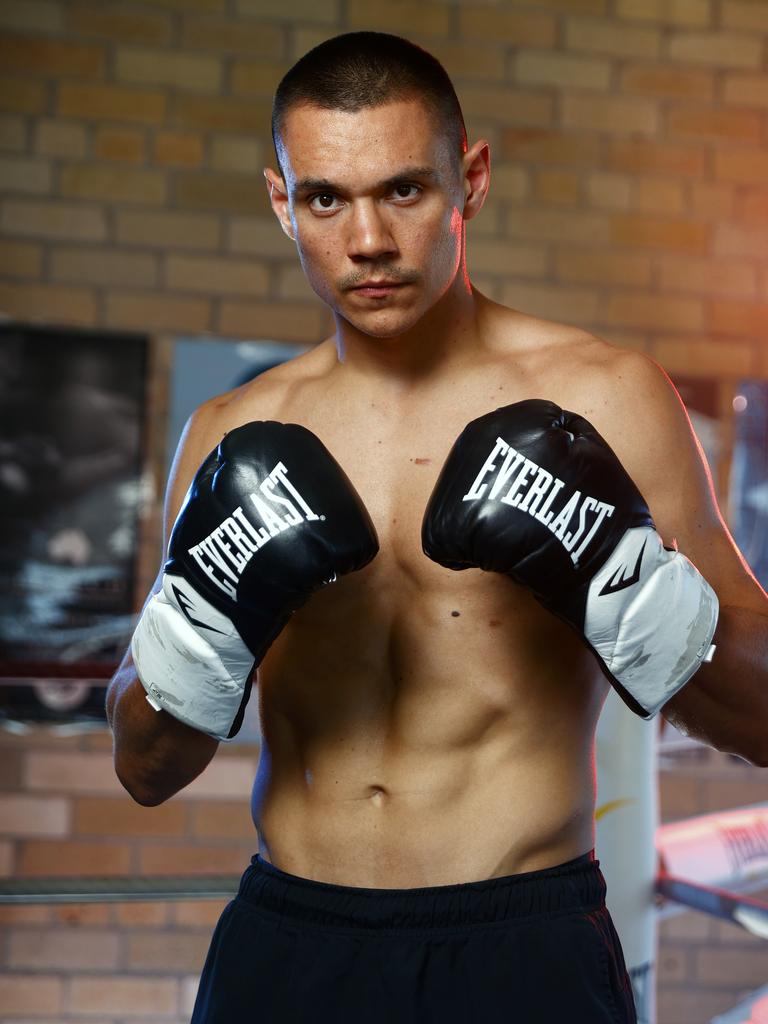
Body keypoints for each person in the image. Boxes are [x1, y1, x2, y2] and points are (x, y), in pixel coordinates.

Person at [106, 31, 768, 1024]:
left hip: (523, 947)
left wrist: (633, 583)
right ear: (284, 204)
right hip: (289, 944)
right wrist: (199, 626)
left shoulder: (609, 399)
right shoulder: (228, 434)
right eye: (326, 198)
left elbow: (760, 716)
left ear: (472, 179)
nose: (367, 240)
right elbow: (144, 766)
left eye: (404, 191)